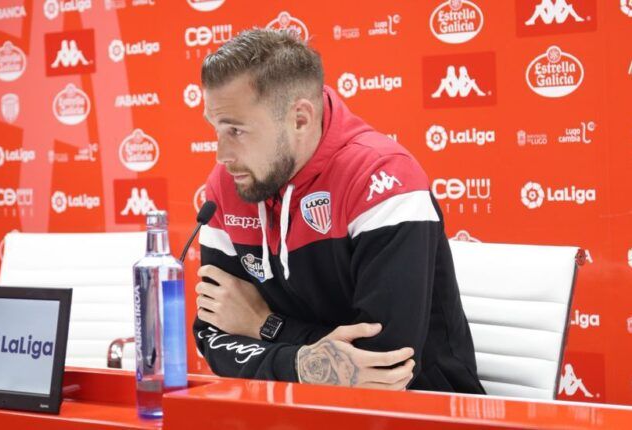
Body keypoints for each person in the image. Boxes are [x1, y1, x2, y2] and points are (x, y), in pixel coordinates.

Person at [193, 28, 485, 394]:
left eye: (236, 130)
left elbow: (384, 366)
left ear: (299, 118)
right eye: (216, 128)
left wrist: (265, 326)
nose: (222, 154)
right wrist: (310, 363)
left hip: (419, 409)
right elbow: (214, 335)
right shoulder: (228, 183)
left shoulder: (383, 178)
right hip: (290, 411)